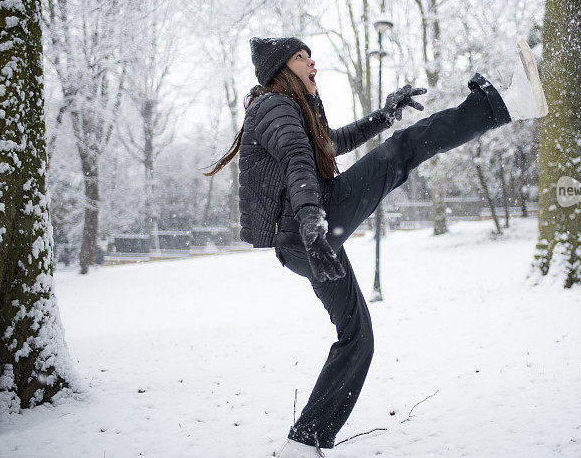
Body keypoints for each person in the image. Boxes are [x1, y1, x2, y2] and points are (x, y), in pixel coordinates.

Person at [202, 36, 547, 457]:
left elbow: (328, 145)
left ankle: (305, 441)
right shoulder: (275, 106)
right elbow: (296, 161)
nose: (312, 61)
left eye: (310, 54)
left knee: (357, 336)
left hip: (305, 239)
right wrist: (313, 222)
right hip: (310, 228)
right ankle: (504, 106)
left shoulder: (292, 108)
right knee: (403, 150)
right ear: (281, 68)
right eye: (300, 56)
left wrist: (384, 116)